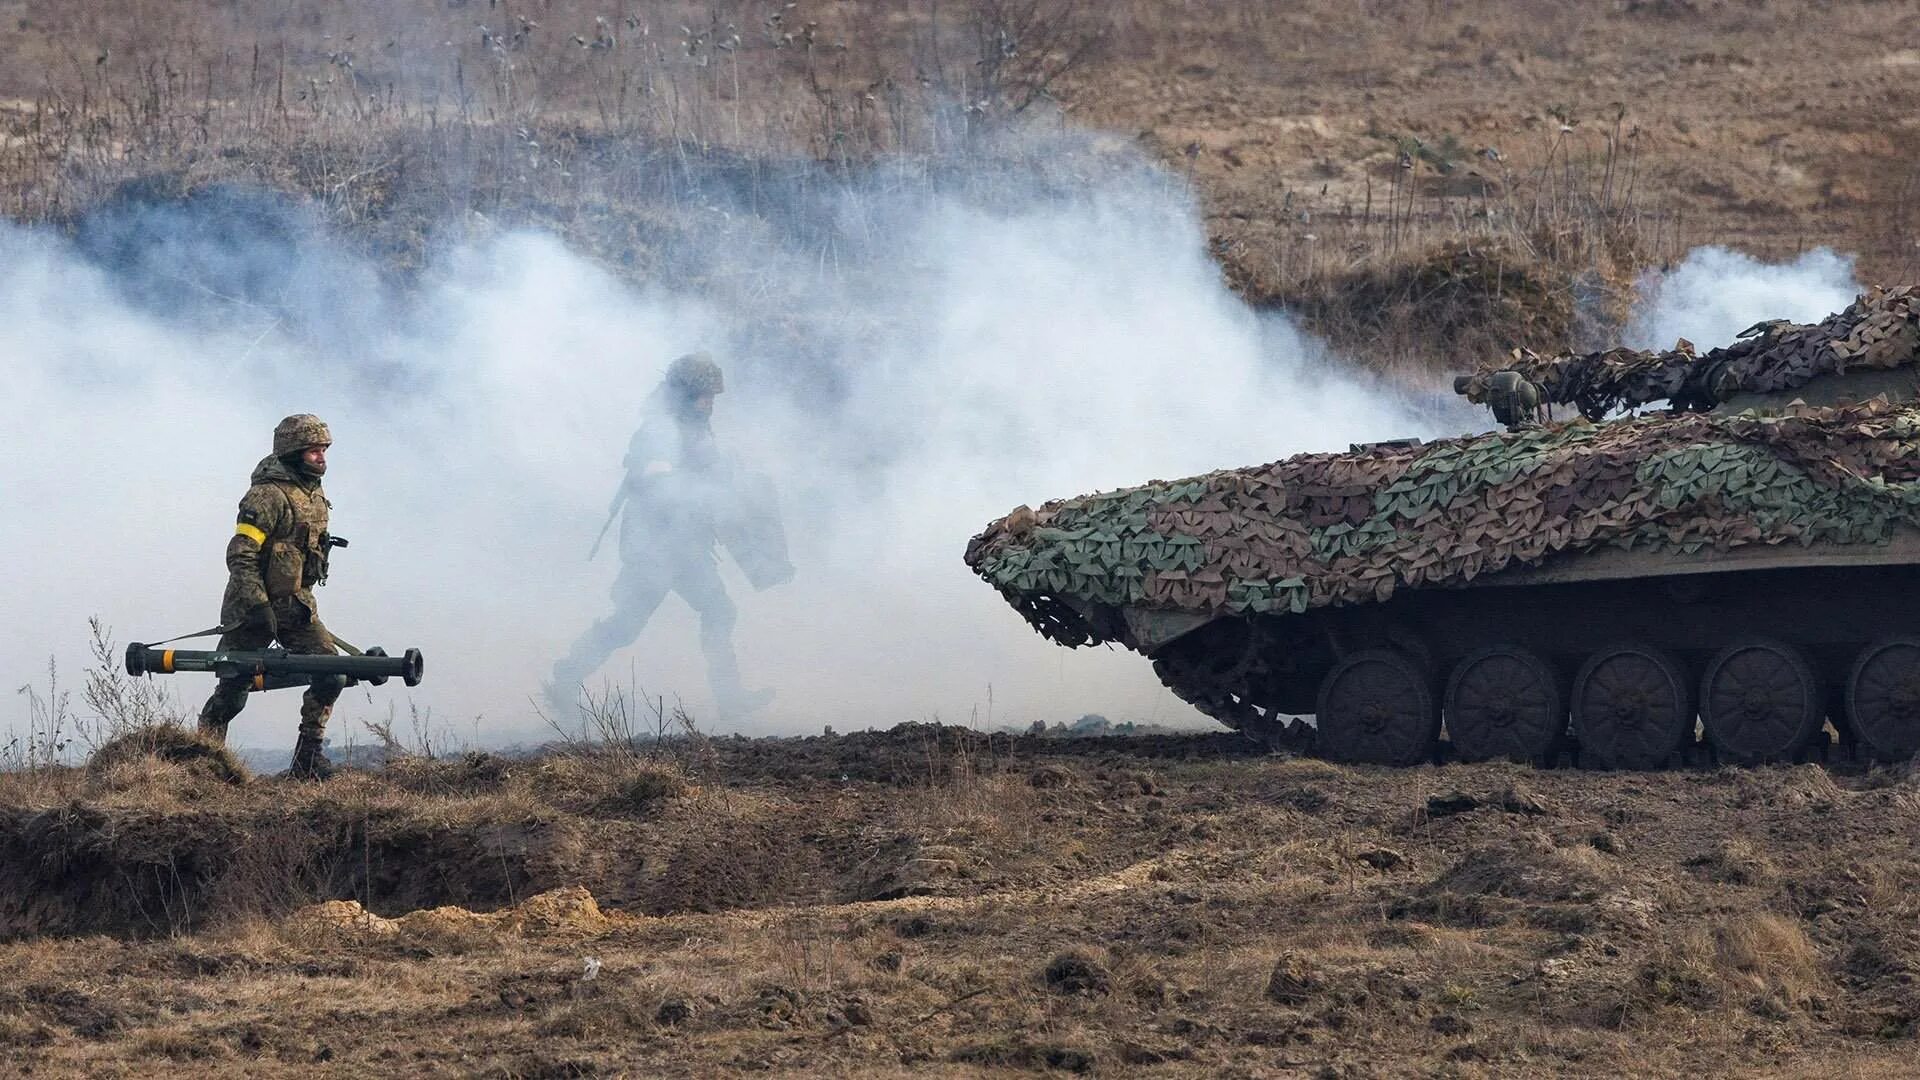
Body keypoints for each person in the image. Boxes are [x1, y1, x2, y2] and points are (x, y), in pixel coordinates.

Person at [549, 352, 790, 720]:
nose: (709, 403)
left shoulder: (692, 427)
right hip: (655, 547)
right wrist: (703, 486)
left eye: (712, 396)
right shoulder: (659, 431)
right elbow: (658, 483)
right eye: (702, 396)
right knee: (628, 623)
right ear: (683, 395)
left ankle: (730, 699)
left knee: (719, 611)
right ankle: (566, 678)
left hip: (685, 545)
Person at [195, 413, 346, 779]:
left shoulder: (314, 493)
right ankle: (203, 759)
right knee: (234, 683)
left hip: (296, 605)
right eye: (313, 451)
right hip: (251, 607)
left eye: (324, 450)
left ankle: (307, 759)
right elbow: (241, 554)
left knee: (332, 673)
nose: (321, 457)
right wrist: (258, 604)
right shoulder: (266, 495)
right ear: (293, 452)